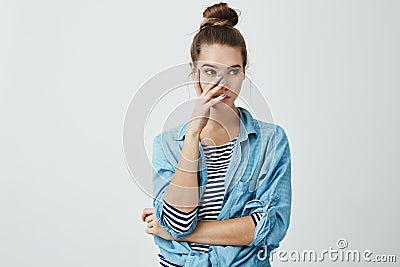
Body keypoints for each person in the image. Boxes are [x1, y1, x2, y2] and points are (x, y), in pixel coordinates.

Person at [141, 2, 292, 266]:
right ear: (194, 70)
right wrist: (193, 134)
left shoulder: (271, 141)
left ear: (245, 73)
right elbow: (179, 219)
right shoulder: (166, 144)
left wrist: (176, 233)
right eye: (210, 71)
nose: (221, 83)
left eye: (233, 71)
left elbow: (267, 227)